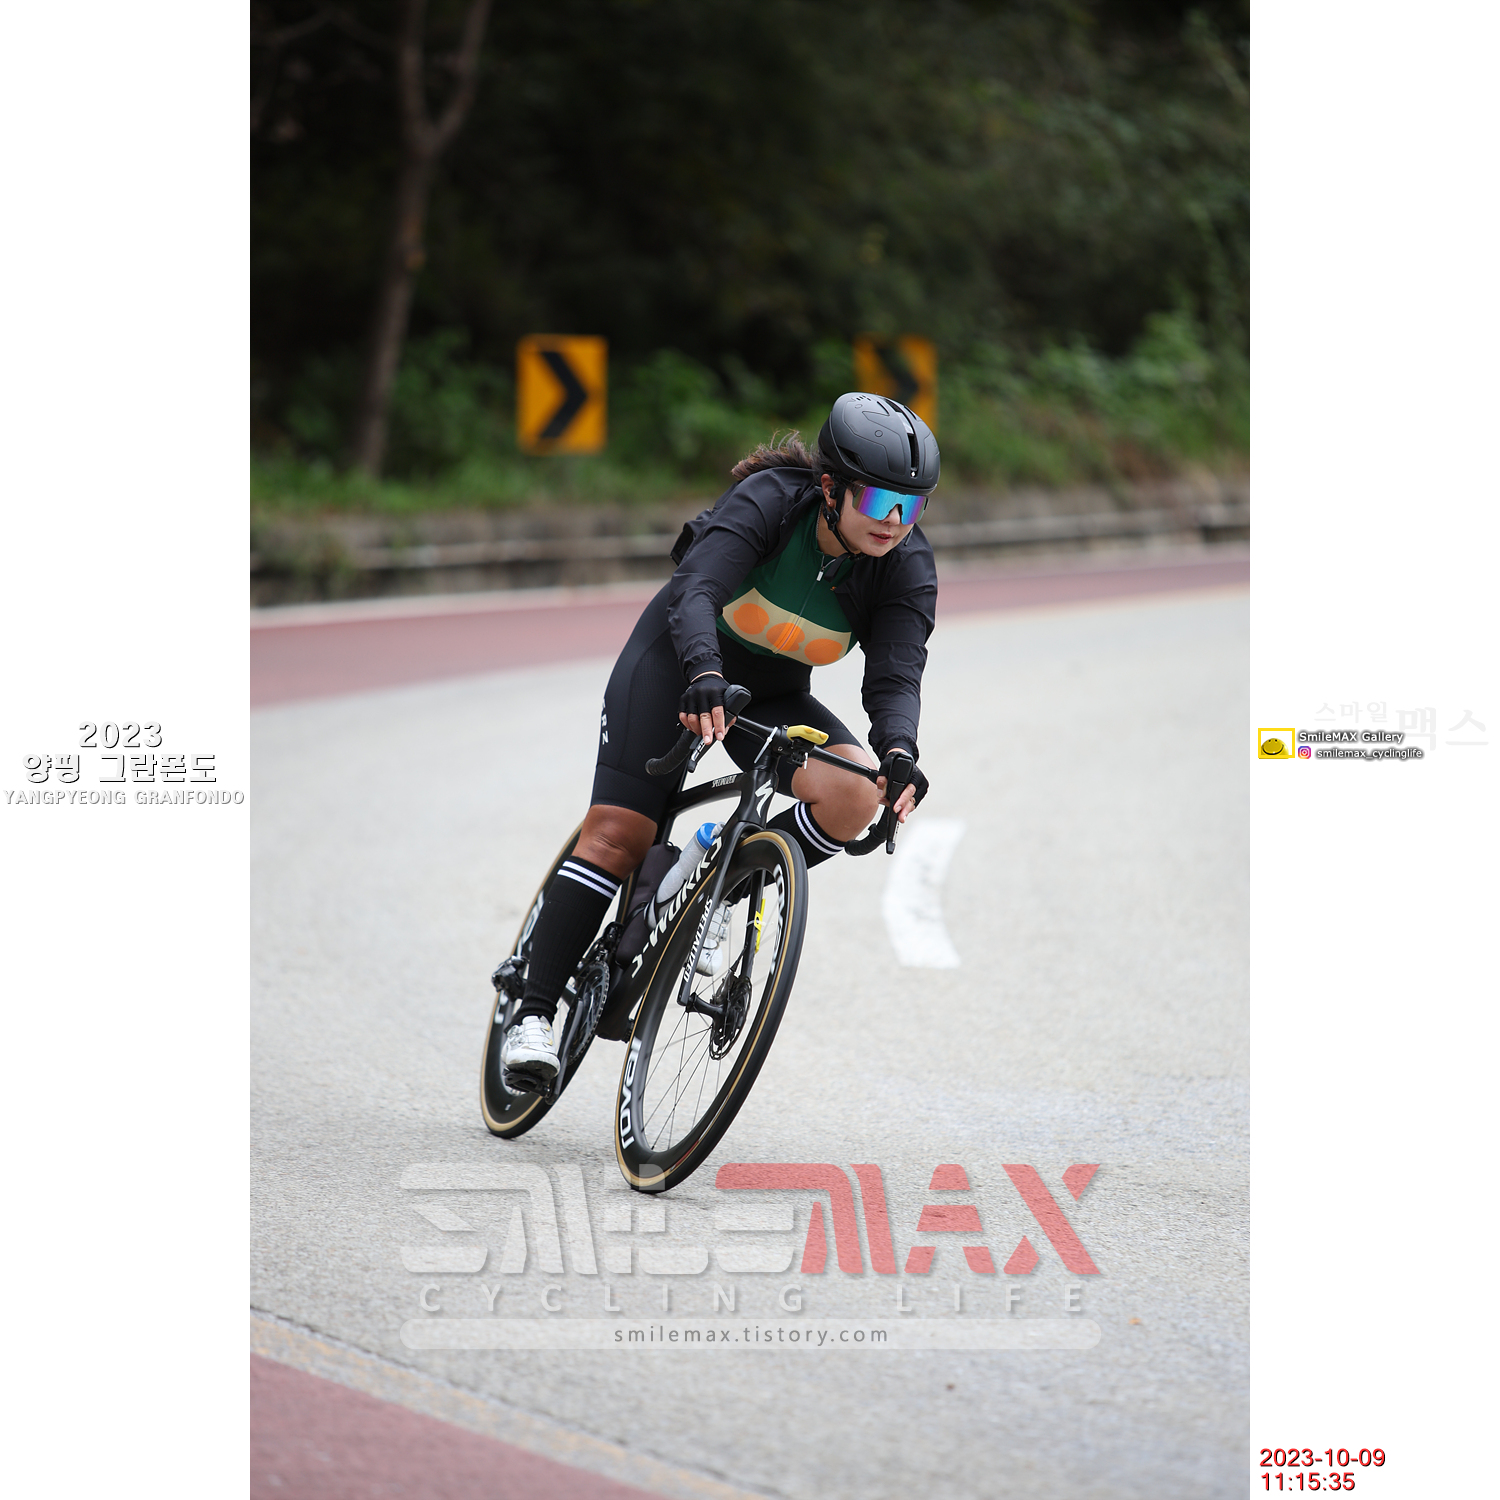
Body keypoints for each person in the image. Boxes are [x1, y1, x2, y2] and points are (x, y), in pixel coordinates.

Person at [500, 390, 941, 1082]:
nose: (894, 522)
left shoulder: (905, 568)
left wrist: (899, 753)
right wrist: (704, 670)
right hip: (677, 662)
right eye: (880, 501)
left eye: (910, 507)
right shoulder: (772, 502)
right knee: (620, 834)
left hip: (771, 694)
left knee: (857, 795)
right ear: (831, 489)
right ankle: (532, 1016)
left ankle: (713, 889)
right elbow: (696, 591)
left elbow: (895, 677)